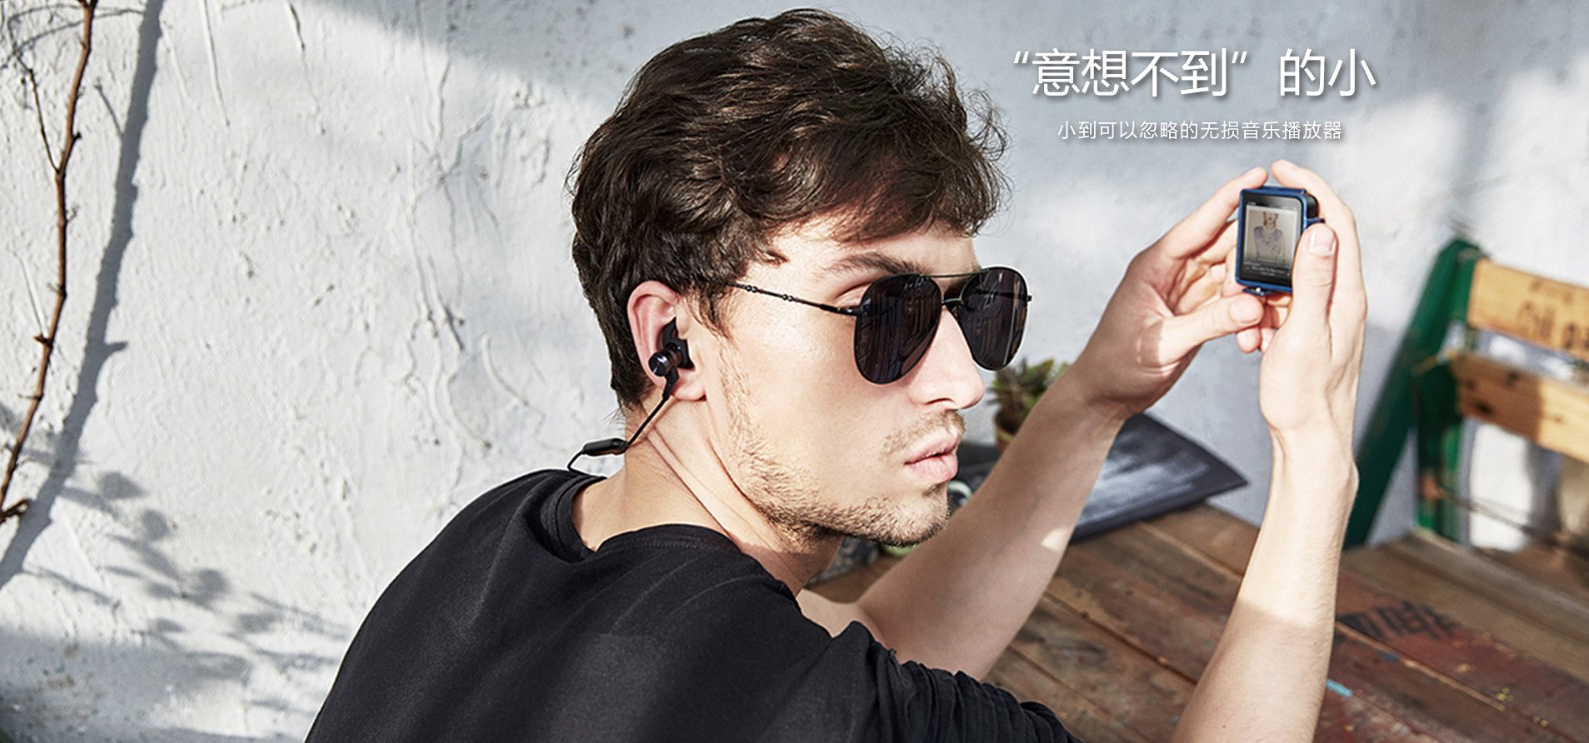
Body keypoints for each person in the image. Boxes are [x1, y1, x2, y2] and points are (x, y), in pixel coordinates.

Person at [308, 9, 1366, 742]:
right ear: (675, 335)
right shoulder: (817, 709)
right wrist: (1316, 459)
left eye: (974, 307)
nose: (961, 378)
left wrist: (1093, 396)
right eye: (884, 313)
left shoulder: (507, 539)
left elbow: (876, 645)